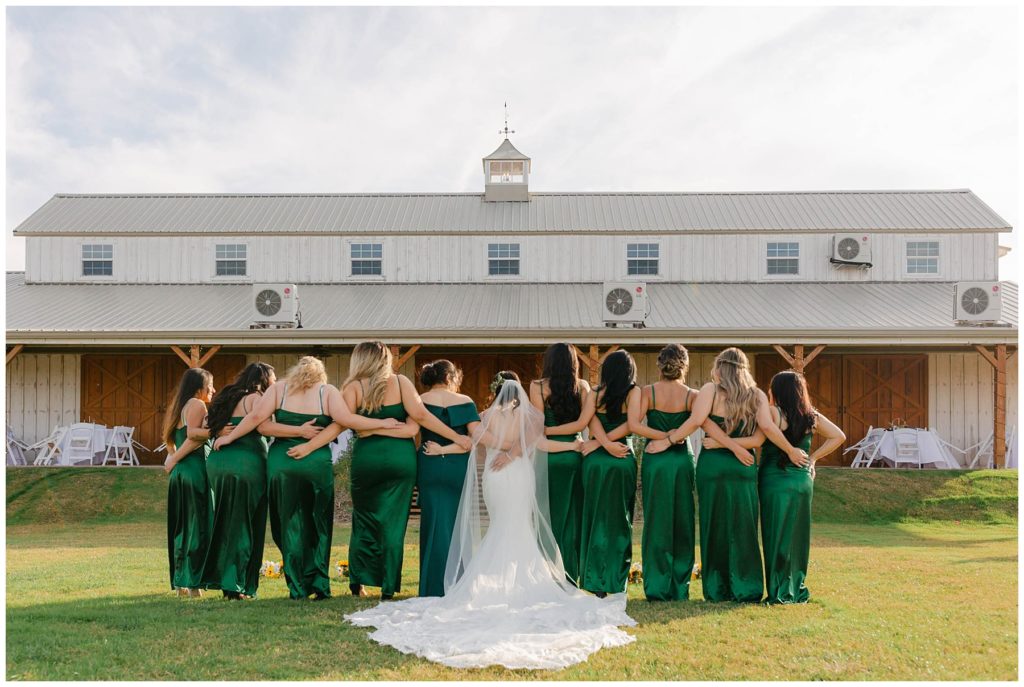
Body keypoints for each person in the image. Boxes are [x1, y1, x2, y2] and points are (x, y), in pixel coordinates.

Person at [344, 378, 636, 670]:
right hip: (519, 473)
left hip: (495, 475)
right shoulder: (531, 417)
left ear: (495, 394)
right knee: (519, 525)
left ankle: (490, 580)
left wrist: (502, 450)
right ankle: (517, 583)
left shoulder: (485, 416)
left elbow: (476, 442)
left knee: (499, 526)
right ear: (519, 395)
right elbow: (538, 442)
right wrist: (561, 446)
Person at [215, 356, 402, 600]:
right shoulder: (327, 391)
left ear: (296, 371)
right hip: (316, 463)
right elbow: (346, 421)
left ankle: (298, 587)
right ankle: (319, 585)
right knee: (319, 522)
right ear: (320, 374)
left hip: (283, 461)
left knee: (288, 523)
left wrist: (228, 438)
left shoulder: (278, 389)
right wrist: (383, 424)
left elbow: (257, 422)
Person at [751, 370, 844, 603]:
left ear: (777, 391)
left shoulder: (773, 413)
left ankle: (777, 590)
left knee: (775, 534)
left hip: (775, 479)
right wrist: (813, 458)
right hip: (802, 480)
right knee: (797, 535)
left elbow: (761, 438)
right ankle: (795, 586)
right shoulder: (811, 416)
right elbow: (838, 436)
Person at [626, 343, 697, 601]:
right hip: (681, 459)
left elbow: (634, 424)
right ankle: (679, 587)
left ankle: (656, 585)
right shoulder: (692, 395)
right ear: (684, 365)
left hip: (656, 459)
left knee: (656, 520)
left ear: (660, 364)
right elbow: (695, 423)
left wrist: (660, 437)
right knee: (683, 520)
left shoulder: (648, 392)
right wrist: (673, 436)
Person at [201, 362, 275, 600]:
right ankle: (234, 585)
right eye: (272, 379)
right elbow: (260, 424)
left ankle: (226, 580)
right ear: (264, 380)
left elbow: (206, 425)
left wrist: (221, 433)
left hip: (218, 464)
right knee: (245, 523)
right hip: (246, 464)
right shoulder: (256, 398)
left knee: (226, 521)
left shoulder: (227, 396)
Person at [416, 359, 481, 597]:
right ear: (450, 378)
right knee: (458, 523)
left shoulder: (419, 401)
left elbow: (412, 432)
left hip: (429, 462)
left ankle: (432, 585)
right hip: (457, 466)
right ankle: (458, 583)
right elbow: (473, 441)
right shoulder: (465, 402)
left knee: (432, 522)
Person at [529, 342, 591, 585]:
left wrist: (549, 429)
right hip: (575, 455)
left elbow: (538, 427)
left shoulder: (537, 387)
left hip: (548, 457)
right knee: (573, 517)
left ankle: (547, 575)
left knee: (547, 517)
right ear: (574, 363)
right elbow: (581, 425)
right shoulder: (583, 386)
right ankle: (569, 575)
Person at [578, 350, 638, 597]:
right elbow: (631, 424)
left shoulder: (594, 392)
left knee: (594, 517)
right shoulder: (634, 392)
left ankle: (593, 580)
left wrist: (599, 443)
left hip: (595, 460)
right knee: (619, 519)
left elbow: (590, 421)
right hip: (622, 456)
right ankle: (615, 579)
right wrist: (611, 444)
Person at [162, 367, 215, 598]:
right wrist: (219, 429)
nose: (213, 390)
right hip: (194, 469)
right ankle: (194, 582)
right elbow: (194, 436)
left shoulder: (178, 407)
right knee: (199, 526)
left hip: (180, 474)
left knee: (181, 526)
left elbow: (171, 439)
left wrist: (173, 458)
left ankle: (181, 582)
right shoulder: (197, 404)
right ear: (199, 388)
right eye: (210, 385)